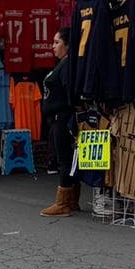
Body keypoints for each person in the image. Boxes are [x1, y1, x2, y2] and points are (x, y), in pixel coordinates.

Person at [40, 27, 80, 217]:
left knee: (65, 159)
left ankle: (63, 202)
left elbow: (70, 92)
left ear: (67, 45)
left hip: (63, 119)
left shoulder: (67, 66)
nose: (53, 46)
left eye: (57, 42)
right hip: (57, 118)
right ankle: (71, 199)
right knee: (68, 159)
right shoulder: (62, 64)